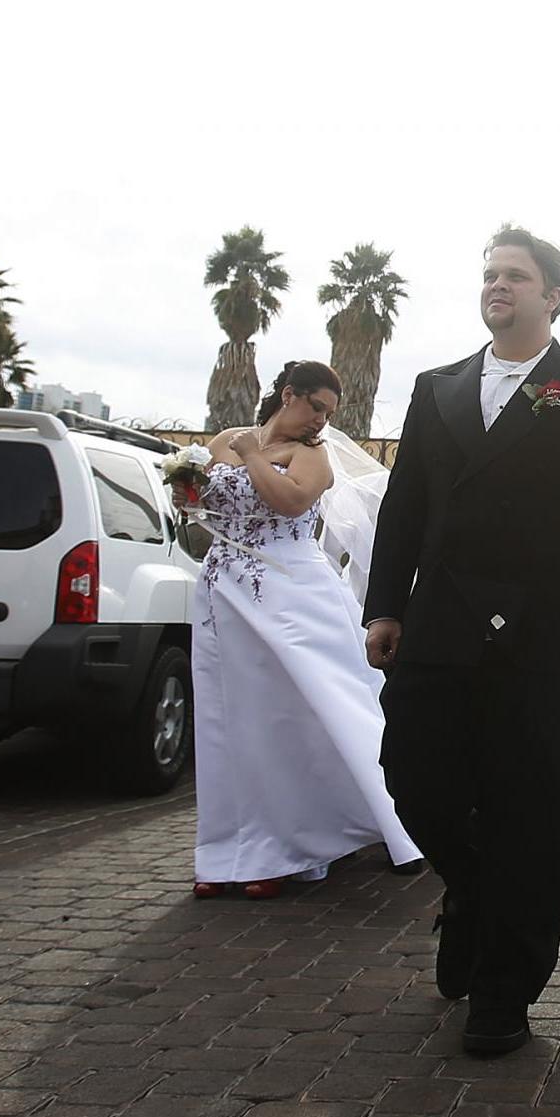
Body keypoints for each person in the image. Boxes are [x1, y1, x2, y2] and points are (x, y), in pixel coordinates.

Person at [363, 228, 560, 1058]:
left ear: (554, 294)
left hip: (539, 633)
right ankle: (472, 895)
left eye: (515, 276)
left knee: (531, 811)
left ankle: (504, 994)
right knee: (413, 778)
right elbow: (405, 506)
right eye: (490, 274)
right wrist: (386, 605)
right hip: (439, 626)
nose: (498, 286)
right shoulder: (435, 386)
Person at [190, 361, 421, 899]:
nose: (320, 421)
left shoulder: (311, 456)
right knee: (228, 717)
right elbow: (209, 504)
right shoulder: (224, 440)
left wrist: (251, 457)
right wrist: (190, 497)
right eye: (315, 407)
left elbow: (291, 501)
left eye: (328, 413)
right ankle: (227, 853)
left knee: (299, 712)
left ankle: (295, 846)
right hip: (223, 590)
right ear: (288, 395)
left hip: (290, 591)